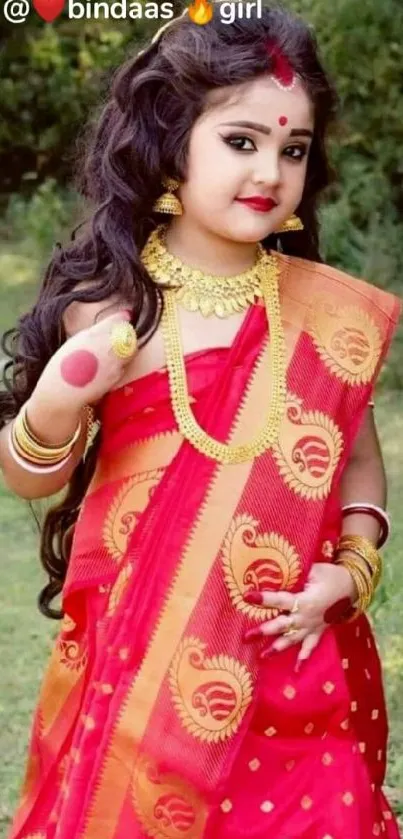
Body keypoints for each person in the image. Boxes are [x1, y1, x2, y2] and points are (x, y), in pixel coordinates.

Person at [0, 5, 401, 838]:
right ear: (168, 138)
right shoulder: (108, 311)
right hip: (138, 663)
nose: (270, 172)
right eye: (241, 140)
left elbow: (357, 461)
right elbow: (25, 472)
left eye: (291, 150)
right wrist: (55, 403)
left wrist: (352, 571)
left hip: (291, 649)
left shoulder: (322, 316)